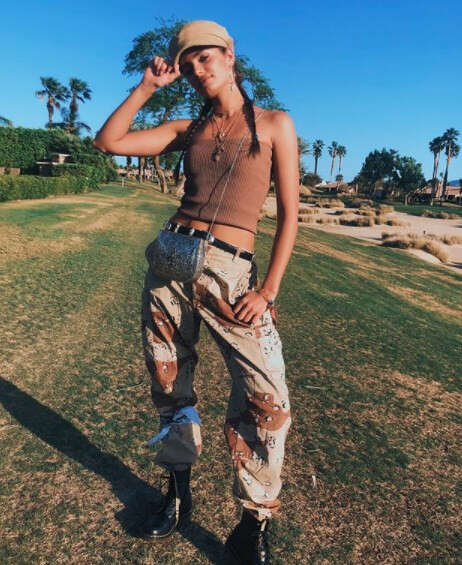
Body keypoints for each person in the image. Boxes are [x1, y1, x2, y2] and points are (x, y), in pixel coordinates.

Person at [93, 19, 299, 565]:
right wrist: (146, 87)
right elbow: (109, 141)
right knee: (170, 384)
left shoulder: (276, 124)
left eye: (205, 58)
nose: (197, 71)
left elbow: (290, 217)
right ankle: (177, 494)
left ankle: (253, 523)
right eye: (187, 67)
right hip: (168, 265)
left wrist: (268, 290)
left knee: (267, 397)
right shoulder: (187, 128)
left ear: (230, 56)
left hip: (231, 274)